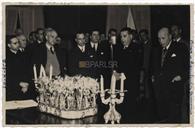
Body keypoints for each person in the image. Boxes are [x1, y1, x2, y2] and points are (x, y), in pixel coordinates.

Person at [152, 27, 189, 123]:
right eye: (159, 39)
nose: (161, 41)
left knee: (174, 119)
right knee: (162, 117)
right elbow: (155, 67)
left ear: (170, 36)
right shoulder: (157, 50)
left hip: (174, 90)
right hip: (160, 90)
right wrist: (153, 77)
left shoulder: (180, 47)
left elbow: (188, 66)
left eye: (163, 38)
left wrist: (181, 76)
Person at [115, 27, 142, 123]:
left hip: (131, 84)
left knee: (130, 112)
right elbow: (117, 63)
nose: (122, 39)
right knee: (121, 109)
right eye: (121, 36)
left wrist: (123, 75)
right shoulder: (119, 48)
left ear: (131, 36)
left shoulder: (136, 48)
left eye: (124, 36)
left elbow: (136, 66)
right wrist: (115, 71)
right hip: (120, 83)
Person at [6, 35, 31, 100]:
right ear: (9, 45)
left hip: (25, 87)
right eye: (15, 43)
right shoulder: (5, 56)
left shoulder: (23, 55)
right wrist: (19, 83)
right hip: (12, 88)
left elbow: (27, 71)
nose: (18, 45)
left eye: (18, 43)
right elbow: (7, 75)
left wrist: (26, 84)